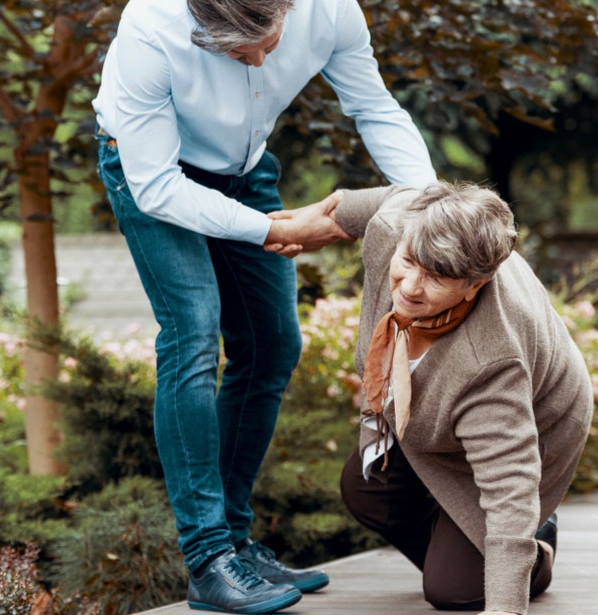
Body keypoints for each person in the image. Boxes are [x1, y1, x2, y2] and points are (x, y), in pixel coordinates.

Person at [91, 0, 437, 612]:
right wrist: (269, 231)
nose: (253, 60)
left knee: (274, 345)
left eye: (265, 45)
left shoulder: (331, 10)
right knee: (193, 334)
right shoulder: (150, 28)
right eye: (230, 52)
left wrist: (430, 204)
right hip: (151, 171)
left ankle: (236, 544)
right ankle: (207, 559)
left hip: (244, 171)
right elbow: (157, 186)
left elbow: (374, 107)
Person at [330, 183, 593, 615]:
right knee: (365, 486)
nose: (410, 287)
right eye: (409, 262)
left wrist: (504, 607)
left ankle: (536, 545)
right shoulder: (397, 231)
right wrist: (319, 219)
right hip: (448, 421)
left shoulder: (491, 365)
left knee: (453, 591)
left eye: (436, 277)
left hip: (537, 425)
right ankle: (462, 535)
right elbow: (403, 194)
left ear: (475, 285)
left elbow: (510, 487)